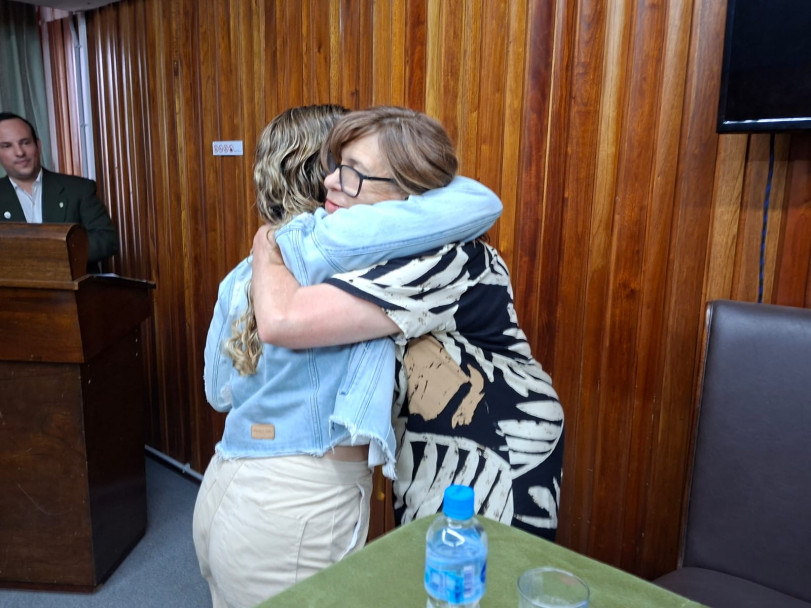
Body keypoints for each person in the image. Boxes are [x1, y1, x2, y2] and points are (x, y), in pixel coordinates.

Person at [193, 104, 502, 607]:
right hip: (296, 506)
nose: (340, 178)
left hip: (228, 484)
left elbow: (217, 392)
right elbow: (477, 202)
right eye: (337, 162)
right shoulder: (343, 247)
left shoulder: (247, 272)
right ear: (321, 172)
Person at [251, 105, 565, 542]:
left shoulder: (447, 261)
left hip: (500, 449)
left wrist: (265, 241)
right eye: (336, 166)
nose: (330, 181)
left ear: (410, 197)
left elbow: (282, 319)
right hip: (439, 452)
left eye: (354, 173)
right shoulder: (387, 253)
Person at [0, 112, 119, 272]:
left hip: (76, 292)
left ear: (38, 146)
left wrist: (55, 254)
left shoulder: (78, 189)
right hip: (16, 294)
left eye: (25, 142)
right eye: (7, 146)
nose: (20, 152)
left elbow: (107, 240)